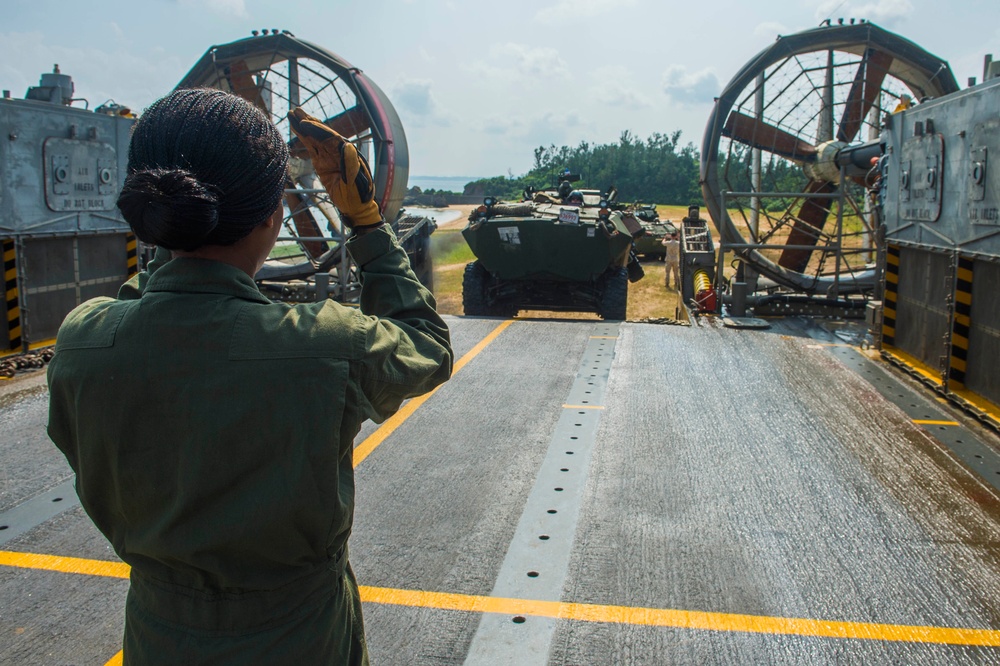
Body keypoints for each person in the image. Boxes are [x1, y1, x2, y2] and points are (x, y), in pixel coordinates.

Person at [46, 88, 453, 665]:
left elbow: (155, 308)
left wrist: (177, 242)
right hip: (299, 638)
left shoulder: (83, 338)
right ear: (273, 215)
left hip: (156, 638)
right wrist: (366, 222)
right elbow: (428, 346)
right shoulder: (326, 344)